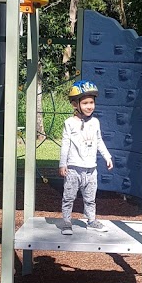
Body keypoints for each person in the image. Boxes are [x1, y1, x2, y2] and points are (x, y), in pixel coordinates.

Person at [59, 80, 113, 234]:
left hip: (91, 169)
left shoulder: (95, 122)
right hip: (73, 168)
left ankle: (91, 221)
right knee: (69, 197)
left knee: (90, 198)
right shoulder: (69, 123)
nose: (90, 106)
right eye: (85, 103)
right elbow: (65, 145)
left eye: (92, 102)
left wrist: (107, 157)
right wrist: (62, 164)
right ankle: (66, 222)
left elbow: (99, 141)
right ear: (75, 104)